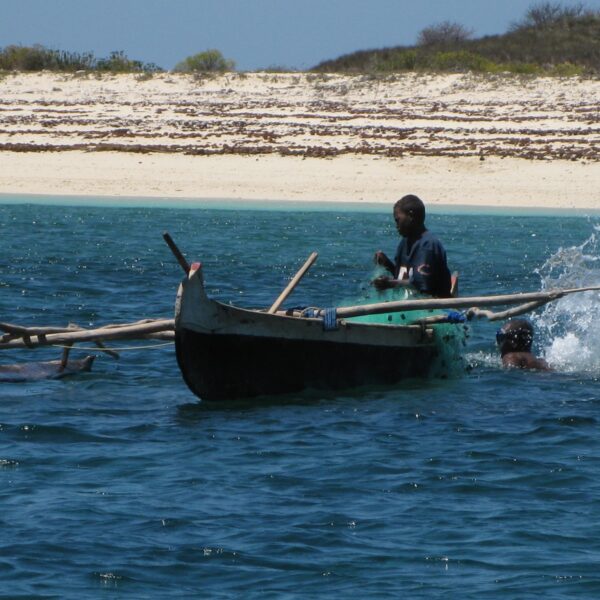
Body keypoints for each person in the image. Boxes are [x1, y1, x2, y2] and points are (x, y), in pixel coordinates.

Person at [373, 194, 452, 298]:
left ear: (411, 216)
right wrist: (387, 264)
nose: (396, 225)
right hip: (409, 307)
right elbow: (404, 277)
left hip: (431, 307)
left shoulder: (427, 246)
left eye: (398, 220)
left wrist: (390, 283)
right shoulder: (404, 243)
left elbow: (421, 286)